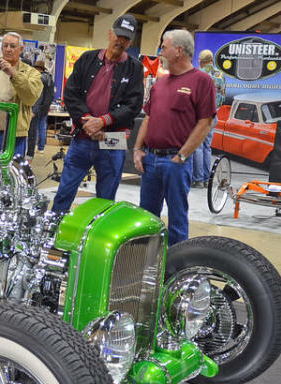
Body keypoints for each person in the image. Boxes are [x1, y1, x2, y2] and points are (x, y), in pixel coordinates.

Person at [51, 14, 144, 214]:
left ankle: (97, 238)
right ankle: (54, 231)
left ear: (131, 41)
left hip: (113, 139)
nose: (121, 41)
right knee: (65, 191)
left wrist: (103, 122)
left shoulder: (135, 68)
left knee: (106, 196)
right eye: (118, 35)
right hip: (83, 136)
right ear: (110, 34)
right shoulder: (87, 59)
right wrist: (87, 122)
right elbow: (71, 93)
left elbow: (134, 105)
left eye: (126, 38)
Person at [133, 30, 217, 246]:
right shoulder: (160, 84)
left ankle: (176, 267)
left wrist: (182, 155)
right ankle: (147, 263)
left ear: (179, 50)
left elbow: (205, 122)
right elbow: (148, 118)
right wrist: (137, 148)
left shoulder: (202, 81)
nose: (160, 51)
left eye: (164, 46)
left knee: (177, 220)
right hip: (150, 161)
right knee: (146, 218)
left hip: (175, 163)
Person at [191, 49, 225, 187]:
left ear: (200, 61)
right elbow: (222, 96)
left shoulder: (198, 74)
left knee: (197, 147)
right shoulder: (221, 75)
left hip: (200, 116)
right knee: (207, 147)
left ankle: (198, 179)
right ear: (212, 59)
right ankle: (206, 179)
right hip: (214, 114)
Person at [27, 59, 54, 158]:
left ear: (38, 68)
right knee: (42, 127)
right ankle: (41, 148)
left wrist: (36, 108)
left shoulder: (39, 78)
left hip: (38, 106)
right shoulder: (50, 78)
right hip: (46, 106)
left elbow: (38, 95)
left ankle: (32, 148)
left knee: (34, 129)